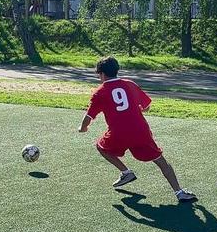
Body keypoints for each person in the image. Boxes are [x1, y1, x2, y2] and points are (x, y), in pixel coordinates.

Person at [77, 56, 196, 203]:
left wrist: (83, 128)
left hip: (118, 133)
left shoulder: (99, 92)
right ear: (117, 71)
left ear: (101, 74)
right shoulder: (129, 84)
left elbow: (88, 117)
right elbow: (146, 106)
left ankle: (126, 172)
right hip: (140, 131)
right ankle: (179, 191)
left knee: (101, 147)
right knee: (161, 161)